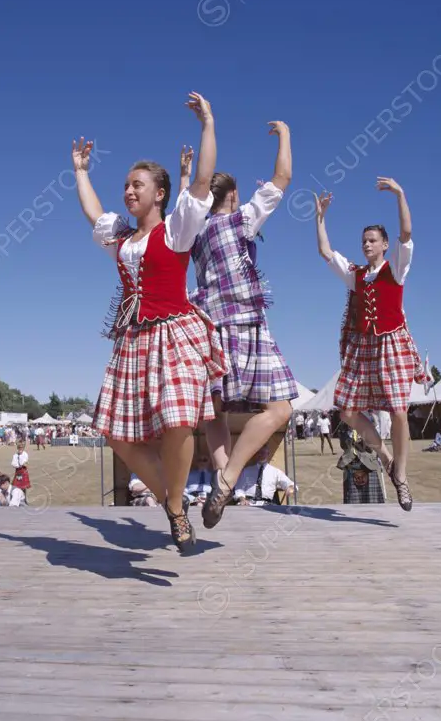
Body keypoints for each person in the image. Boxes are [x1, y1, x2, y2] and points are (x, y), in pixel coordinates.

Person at [74, 91, 224, 554]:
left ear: (159, 193)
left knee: (180, 422)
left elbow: (201, 182)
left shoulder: (176, 229)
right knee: (117, 435)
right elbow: (95, 215)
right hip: (132, 340)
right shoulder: (121, 239)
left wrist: (208, 125)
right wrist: (80, 171)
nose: (129, 191)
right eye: (125, 185)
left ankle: (176, 508)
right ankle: (173, 505)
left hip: (175, 331)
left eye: (137, 184)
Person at [187, 120, 297, 529]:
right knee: (280, 409)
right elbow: (283, 177)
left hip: (209, 329)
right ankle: (230, 478)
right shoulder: (242, 220)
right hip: (247, 324)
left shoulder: (194, 236)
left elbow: (189, 196)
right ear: (233, 196)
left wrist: (187, 175)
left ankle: (221, 480)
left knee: (213, 412)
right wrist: (285, 133)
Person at [314, 178, 428, 511]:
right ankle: (386, 456)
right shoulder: (356, 274)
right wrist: (320, 217)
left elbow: (406, 233)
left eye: (372, 240)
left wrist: (400, 194)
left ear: (383, 244)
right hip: (363, 347)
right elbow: (325, 252)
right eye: (363, 240)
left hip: (391, 340)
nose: (366, 244)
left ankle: (402, 477)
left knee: (398, 412)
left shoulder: (396, 268)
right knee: (348, 411)